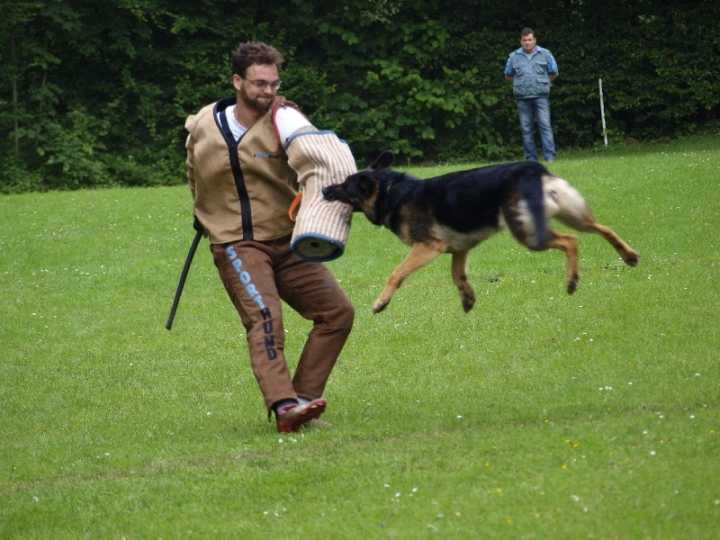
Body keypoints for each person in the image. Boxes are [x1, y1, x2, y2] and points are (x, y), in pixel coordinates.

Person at [184, 42, 355, 433]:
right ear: (237, 81)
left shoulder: (286, 120)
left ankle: (303, 401)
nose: (268, 91)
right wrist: (203, 212)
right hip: (236, 243)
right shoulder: (203, 125)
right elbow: (194, 170)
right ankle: (283, 407)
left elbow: (320, 160)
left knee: (337, 314)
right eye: (259, 84)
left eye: (273, 84)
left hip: (288, 240)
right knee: (265, 319)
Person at [504, 27, 559, 162]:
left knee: (545, 126)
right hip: (522, 98)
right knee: (526, 129)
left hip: (541, 96)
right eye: (524, 40)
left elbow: (554, 72)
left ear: (535, 40)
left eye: (530, 40)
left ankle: (550, 157)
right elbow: (508, 75)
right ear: (520, 41)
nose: (527, 42)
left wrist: (544, 83)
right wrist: (519, 85)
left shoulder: (546, 54)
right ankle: (531, 159)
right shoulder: (513, 57)